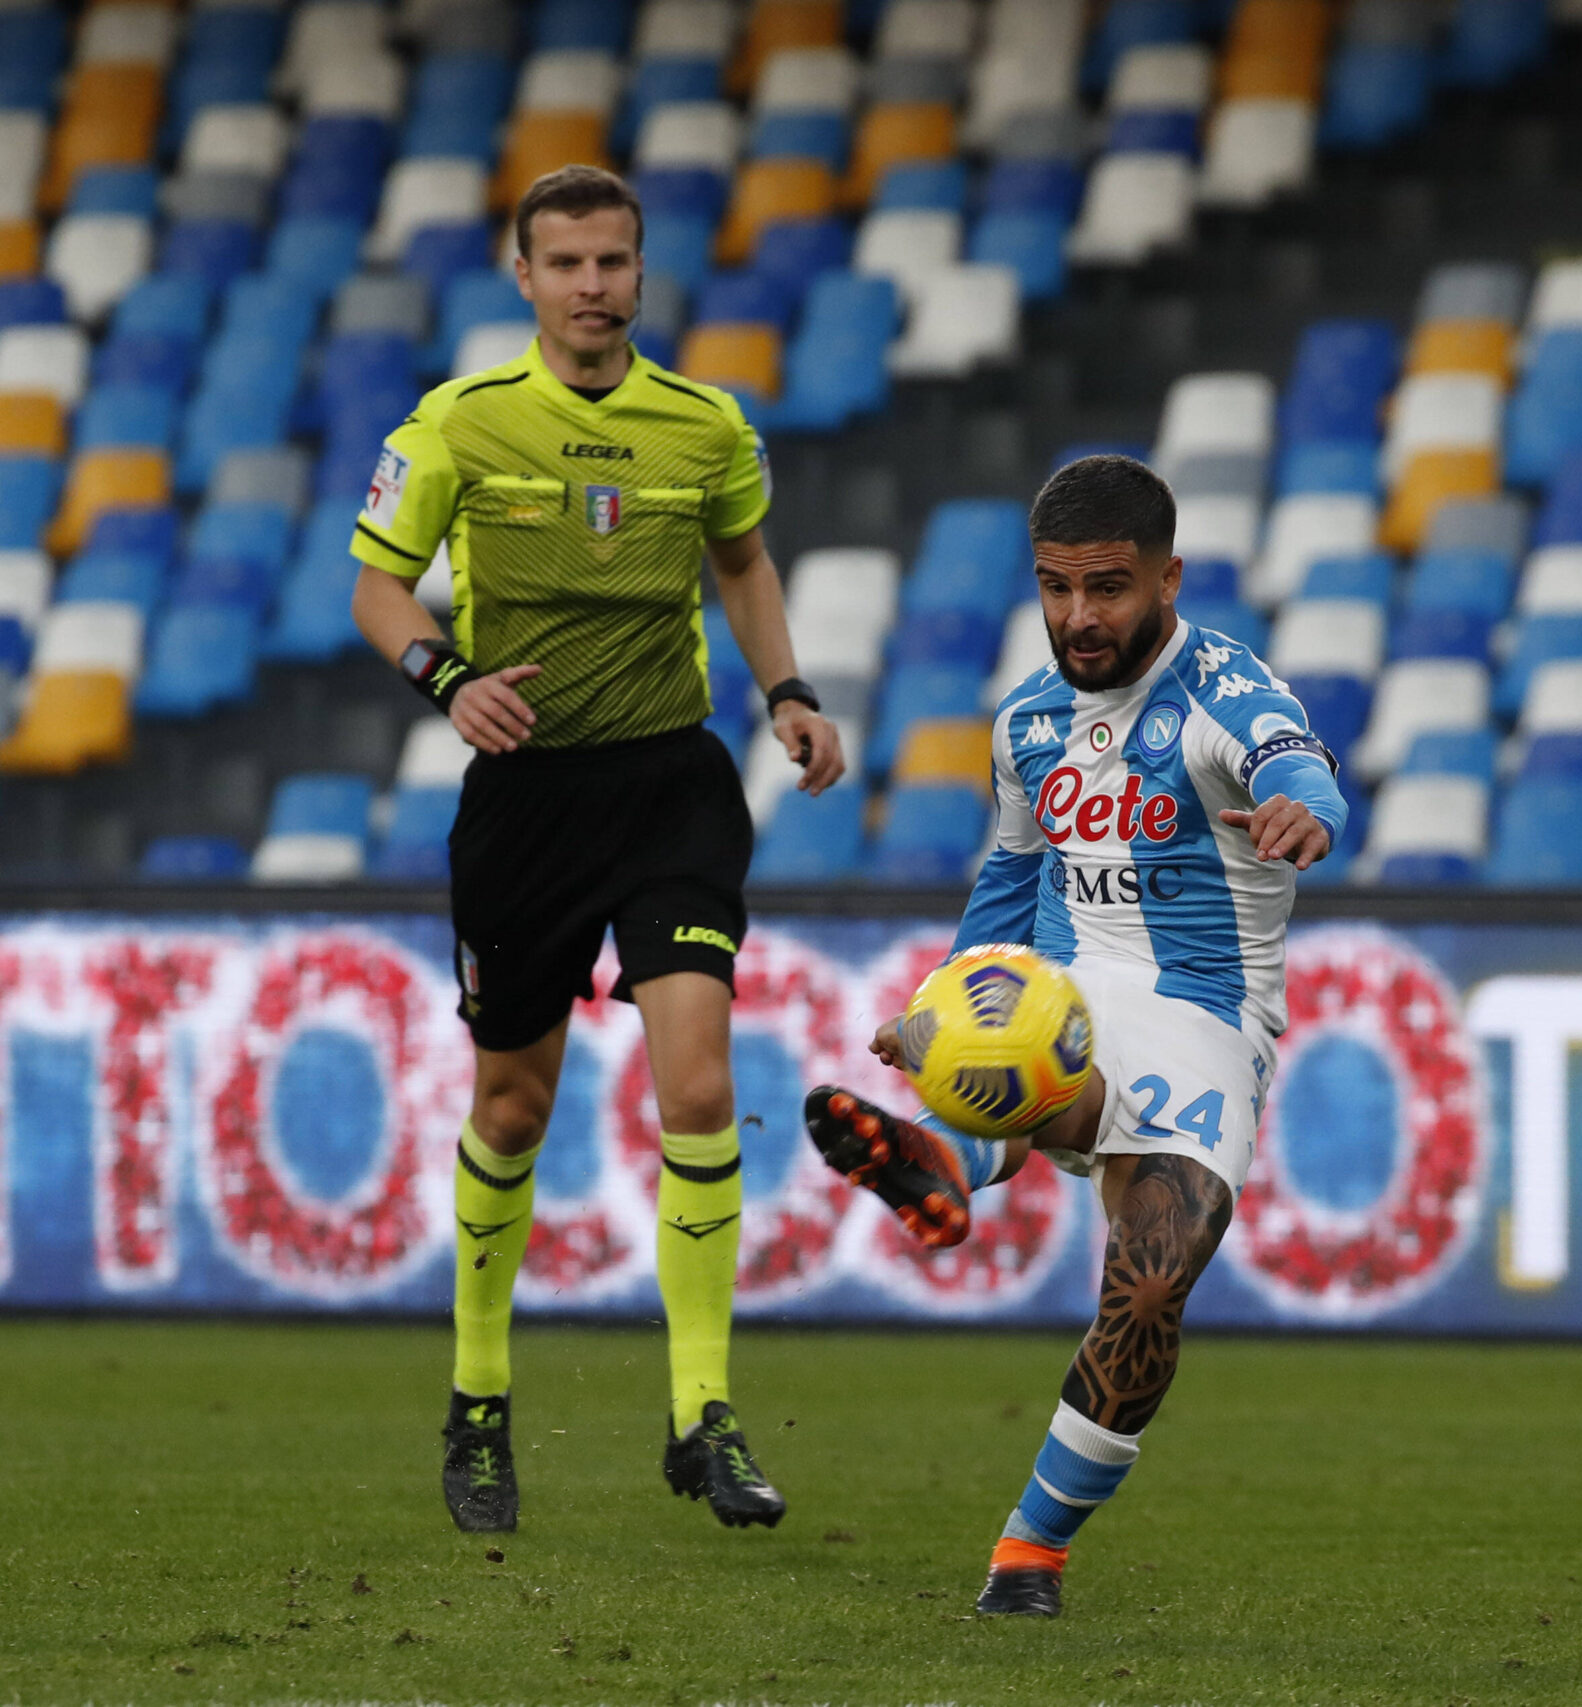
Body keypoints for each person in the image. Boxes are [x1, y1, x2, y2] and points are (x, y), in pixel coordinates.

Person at [347, 165, 847, 1534]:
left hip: (669, 786)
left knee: (696, 1081)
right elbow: (376, 580)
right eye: (563, 263)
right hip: (524, 798)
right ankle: (480, 1398)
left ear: (640, 272)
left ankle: (701, 1412)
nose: (589, 286)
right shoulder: (458, 424)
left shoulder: (705, 427)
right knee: (512, 1106)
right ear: (524, 277)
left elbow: (741, 562)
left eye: (611, 262)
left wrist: (788, 690)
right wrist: (445, 678)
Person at [802, 454, 1347, 1617]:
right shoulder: (1025, 723)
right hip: (1053, 996)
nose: (1078, 617)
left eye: (1106, 588)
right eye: (1055, 588)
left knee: (1151, 1284)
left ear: (1168, 577)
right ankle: (954, 1147)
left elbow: (1294, 761)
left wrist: (1309, 807)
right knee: (1045, 1049)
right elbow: (1009, 877)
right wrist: (939, 1008)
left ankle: (1028, 1544)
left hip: (1203, 1004)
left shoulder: (1222, 693)